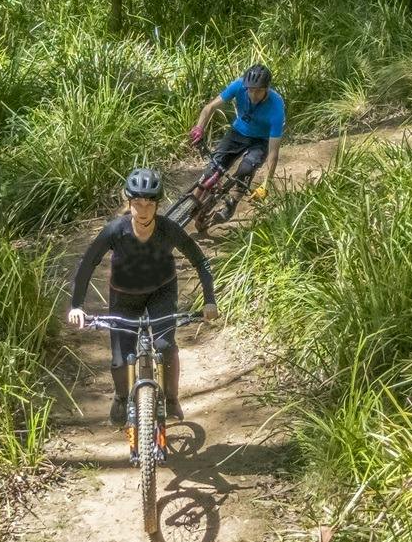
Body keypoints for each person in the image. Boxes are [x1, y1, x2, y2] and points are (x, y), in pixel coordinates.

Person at [67, 167, 217, 428]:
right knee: (119, 359)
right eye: (137, 203)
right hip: (123, 296)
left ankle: (171, 399)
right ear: (129, 202)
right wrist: (77, 306)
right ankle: (121, 398)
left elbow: (200, 261)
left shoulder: (168, 229)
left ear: (157, 205)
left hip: (161, 292)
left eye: (149, 203)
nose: (143, 209)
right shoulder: (115, 230)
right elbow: (88, 262)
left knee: (165, 346)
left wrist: (209, 300)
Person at [186, 61, 285, 205]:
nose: (253, 94)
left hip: (261, 141)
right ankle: (191, 206)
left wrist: (266, 185)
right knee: (211, 170)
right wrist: (199, 128)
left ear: (267, 88)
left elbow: (273, 153)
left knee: (245, 170)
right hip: (238, 132)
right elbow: (209, 107)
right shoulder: (239, 85)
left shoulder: (276, 107)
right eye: (251, 90)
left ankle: (232, 203)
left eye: (259, 91)